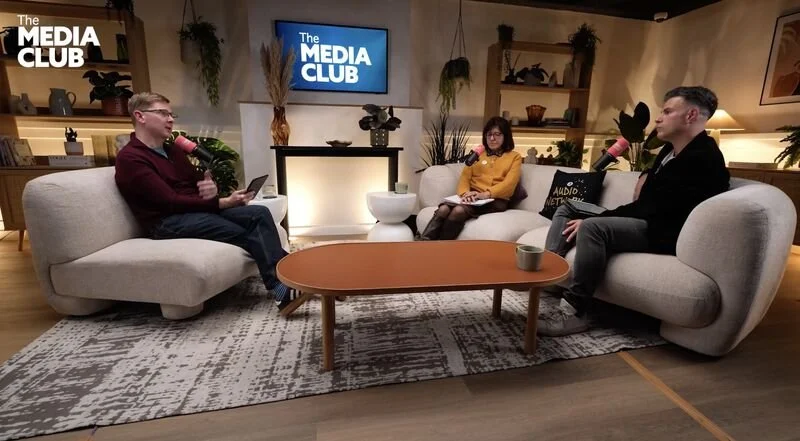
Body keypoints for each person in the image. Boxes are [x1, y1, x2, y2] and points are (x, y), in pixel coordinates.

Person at [540, 86, 730, 336]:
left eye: (667, 111)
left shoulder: (704, 158)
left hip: (662, 231)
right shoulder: (669, 151)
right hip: (645, 217)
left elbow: (653, 210)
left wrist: (599, 219)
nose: (659, 118)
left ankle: (577, 310)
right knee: (568, 207)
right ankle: (549, 275)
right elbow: (647, 200)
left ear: (691, 115)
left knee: (593, 227)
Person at [114, 92, 300, 312]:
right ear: (140, 116)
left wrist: (211, 191)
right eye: (163, 113)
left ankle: (299, 277)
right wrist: (221, 203)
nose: (171, 119)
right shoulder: (131, 159)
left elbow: (195, 187)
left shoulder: (173, 151)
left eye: (171, 114)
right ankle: (286, 286)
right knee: (249, 232)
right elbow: (169, 201)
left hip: (193, 213)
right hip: (166, 222)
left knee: (257, 213)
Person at [418, 116, 522, 240]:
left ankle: (442, 248)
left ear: (506, 136)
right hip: (473, 197)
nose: (492, 138)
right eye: (489, 135)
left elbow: (509, 184)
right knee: (443, 209)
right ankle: (423, 245)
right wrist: (465, 193)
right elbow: (465, 177)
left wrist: (485, 195)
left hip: (496, 200)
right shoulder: (478, 154)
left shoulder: (514, 157)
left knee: (458, 211)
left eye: (497, 134)